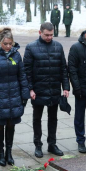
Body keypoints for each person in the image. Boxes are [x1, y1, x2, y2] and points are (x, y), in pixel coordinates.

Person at [0, 27, 30, 167]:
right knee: (0, 124)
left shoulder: (16, 55)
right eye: (6, 44)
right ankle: (0, 152)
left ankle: (9, 152)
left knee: (11, 123)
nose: (8, 46)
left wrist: (25, 93)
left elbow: (22, 75)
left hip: (14, 94)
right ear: (0, 43)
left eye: (11, 43)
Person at [24, 22, 70, 158]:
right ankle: (38, 145)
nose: (50, 37)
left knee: (53, 118)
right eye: (46, 35)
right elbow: (27, 71)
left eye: (51, 35)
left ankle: (52, 144)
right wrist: (30, 89)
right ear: (40, 33)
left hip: (54, 88)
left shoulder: (58, 46)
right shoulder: (31, 47)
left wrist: (66, 87)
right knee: (37, 118)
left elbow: (63, 68)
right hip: (38, 89)